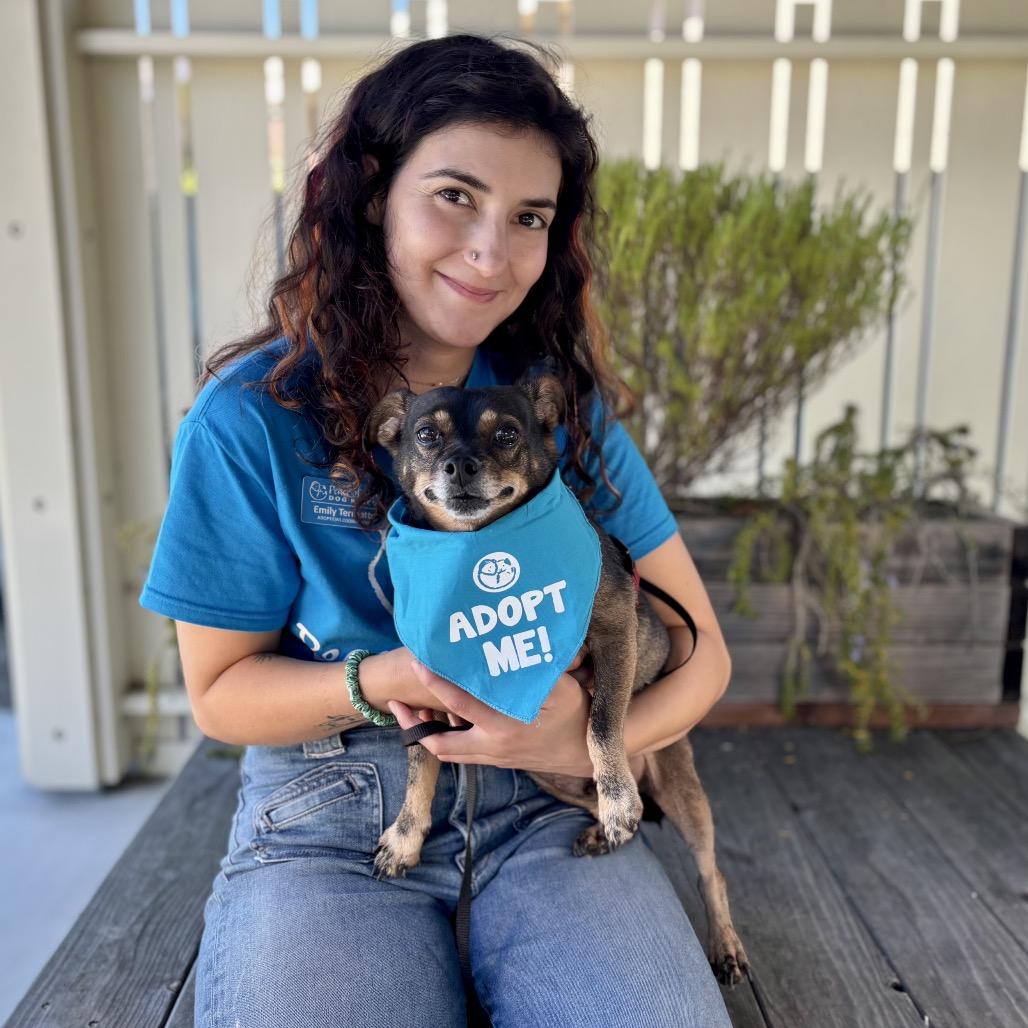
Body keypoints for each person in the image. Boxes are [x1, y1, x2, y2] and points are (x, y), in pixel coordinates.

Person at [140, 32, 735, 1028]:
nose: (490, 251)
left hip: (552, 809)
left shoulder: (559, 408)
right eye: (454, 195)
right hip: (334, 815)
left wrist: (580, 738)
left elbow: (705, 656)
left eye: (528, 216)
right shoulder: (251, 418)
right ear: (372, 194)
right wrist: (391, 680)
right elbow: (220, 694)